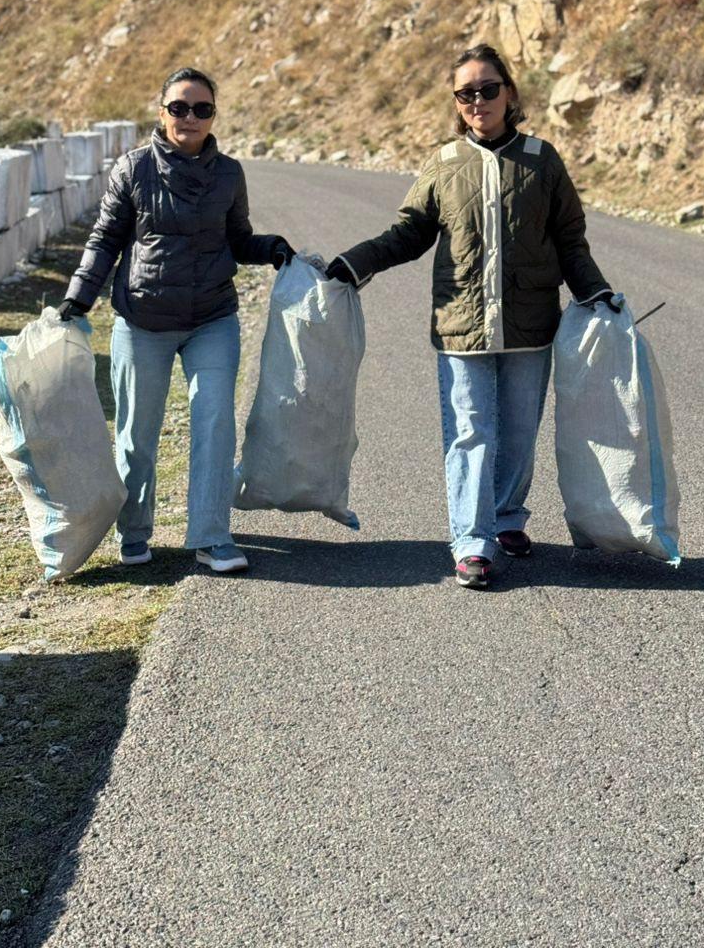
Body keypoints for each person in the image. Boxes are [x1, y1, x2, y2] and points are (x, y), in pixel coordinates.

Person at [325, 43, 619, 589]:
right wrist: (356, 262)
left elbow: (569, 240)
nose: (477, 101)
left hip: (530, 325)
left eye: (488, 89)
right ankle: (472, 541)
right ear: (456, 102)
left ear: (509, 93)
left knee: (519, 433)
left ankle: (505, 518)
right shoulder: (444, 163)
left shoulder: (542, 159)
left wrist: (595, 292)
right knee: (470, 431)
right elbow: (409, 232)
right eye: (466, 94)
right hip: (461, 325)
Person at [59, 66, 293, 573]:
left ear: (213, 116)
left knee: (215, 422)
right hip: (143, 319)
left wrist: (271, 247)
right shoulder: (133, 168)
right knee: (137, 433)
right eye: (179, 107)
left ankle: (212, 537)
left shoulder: (229, 173)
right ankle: (133, 532)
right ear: (162, 112)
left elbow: (238, 239)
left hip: (212, 318)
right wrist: (79, 296)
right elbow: (105, 239)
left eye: (201, 108)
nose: (190, 117)